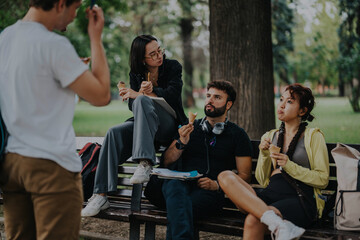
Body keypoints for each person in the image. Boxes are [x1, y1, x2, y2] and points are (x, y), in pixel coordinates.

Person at [0, 0, 110, 239]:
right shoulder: (53, 45)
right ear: (61, 4)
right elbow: (102, 95)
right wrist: (95, 38)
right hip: (51, 166)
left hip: (13, 164)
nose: (74, 16)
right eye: (76, 7)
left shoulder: (5, 38)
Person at [81, 34, 187, 217]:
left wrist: (147, 93)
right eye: (152, 54)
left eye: (159, 50)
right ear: (141, 59)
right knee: (114, 132)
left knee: (142, 101)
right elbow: (133, 105)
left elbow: (173, 94)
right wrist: (137, 94)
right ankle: (101, 195)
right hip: (145, 127)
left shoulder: (172, 67)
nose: (159, 56)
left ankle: (145, 162)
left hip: (169, 126)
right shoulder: (136, 73)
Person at [218, 83, 330, 240]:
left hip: (298, 198)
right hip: (269, 195)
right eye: (281, 99)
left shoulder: (313, 136)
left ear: (302, 110)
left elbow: (323, 179)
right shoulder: (270, 136)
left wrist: (289, 165)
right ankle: (277, 223)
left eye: (290, 102)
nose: (282, 105)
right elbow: (263, 180)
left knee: (252, 220)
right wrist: (264, 154)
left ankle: (276, 223)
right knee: (225, 176)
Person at [161, 80, 253, 239]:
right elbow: (167, 162)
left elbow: (245, 175)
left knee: (179, 208)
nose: (210, 100)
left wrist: (217, 185)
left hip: (209, 194)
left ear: (228, 104)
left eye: (217, 97)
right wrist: (181, 142)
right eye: (208, 95)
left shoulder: (238, 135)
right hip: (178, 188)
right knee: (175, 187)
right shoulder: (189, 127)